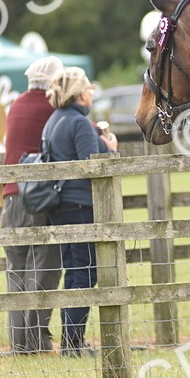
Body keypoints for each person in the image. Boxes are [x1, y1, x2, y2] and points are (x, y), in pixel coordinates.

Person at [43, 67, 118, 356]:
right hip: (80, 205)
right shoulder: (78, 122)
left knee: (74, 272)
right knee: (85, 273)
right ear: (78, 93)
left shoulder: (53, 121)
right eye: (88, 89)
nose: (91, 94)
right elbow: (94, 163)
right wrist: (110, 149)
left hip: (60, 206)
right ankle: (74, 344)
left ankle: (71, 342)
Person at [0, 56, 65, 354]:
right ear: (53, 82)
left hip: (10, 199)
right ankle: (37, 341)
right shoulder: (50, 107)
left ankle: (18, 344)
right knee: (44, 270)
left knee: (17, 271)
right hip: (35, 198)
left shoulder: (16, 106)